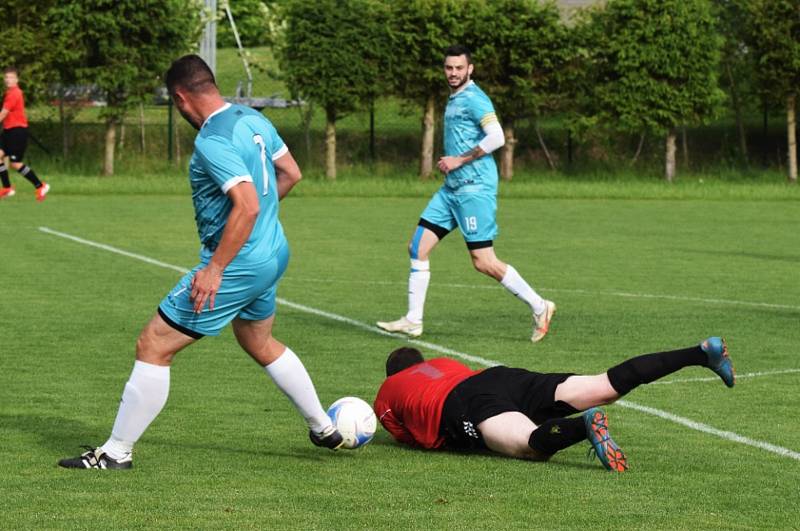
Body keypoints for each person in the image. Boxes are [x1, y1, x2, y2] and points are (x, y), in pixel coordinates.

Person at [59, 55, 342, 470]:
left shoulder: (212, 139)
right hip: (273, 251)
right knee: (258, 342)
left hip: (240, 262)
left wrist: (216, 268)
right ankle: (323, 427)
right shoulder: (252, 118)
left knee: (153, 344)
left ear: (180, 97)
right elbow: (291, 173)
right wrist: (258, 221)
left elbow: (245, 205)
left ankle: (115, 452)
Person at [377, 45, 553, 343]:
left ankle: (540, 306)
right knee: (417, 247)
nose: (453, 73)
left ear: (470, 69)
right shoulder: (454, 98)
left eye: (459, 68)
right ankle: (413, 321)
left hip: (475, 188)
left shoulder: (475, 98)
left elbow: (497, 136)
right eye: (449, 68)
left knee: (483, 261)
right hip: (451, 190)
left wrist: (460, 159)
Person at [374, 337, 735, 472]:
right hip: (497, 377)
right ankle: (701, 353)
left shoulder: (388, 390)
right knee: (603, 384)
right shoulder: (441, 363)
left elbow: (405, 434)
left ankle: (584, 426)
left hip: (465, 402)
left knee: (529, 445)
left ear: (393, 372)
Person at [0, 66, 49, 201]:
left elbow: (3, 113)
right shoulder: (9, 92)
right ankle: (7, 188)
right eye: (6, 77)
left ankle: (40, 186)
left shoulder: (15, 93)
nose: (8, 80)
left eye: (11, 77)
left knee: (15, 164)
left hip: (18, 132)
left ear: (17, 79)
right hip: (8, 131)